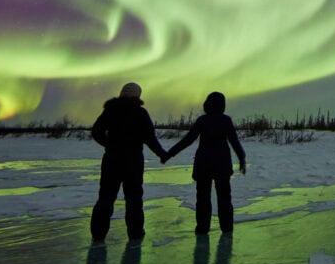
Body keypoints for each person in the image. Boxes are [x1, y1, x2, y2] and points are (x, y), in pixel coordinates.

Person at [90, 82, 168, 241]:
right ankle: (136, 233)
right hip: (133, 162)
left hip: (112, 160)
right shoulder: (140, 113)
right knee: (134, 199)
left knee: (106, 197)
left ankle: (98, 234)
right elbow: (150, 138)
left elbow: (96, 131)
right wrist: (162, 153)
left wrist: (110, 145)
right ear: (137, 95)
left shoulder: (110, 111)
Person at [166, 92, 247, 234]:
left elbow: (188, 140)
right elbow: (234, 142)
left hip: (204, 164)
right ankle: (227, 228)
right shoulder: (225, 120)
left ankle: (202, 228)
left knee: (203, 199)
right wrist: (242, 158)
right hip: (222, 164)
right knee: (224, 199)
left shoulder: (202, 120)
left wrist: (170, 153)